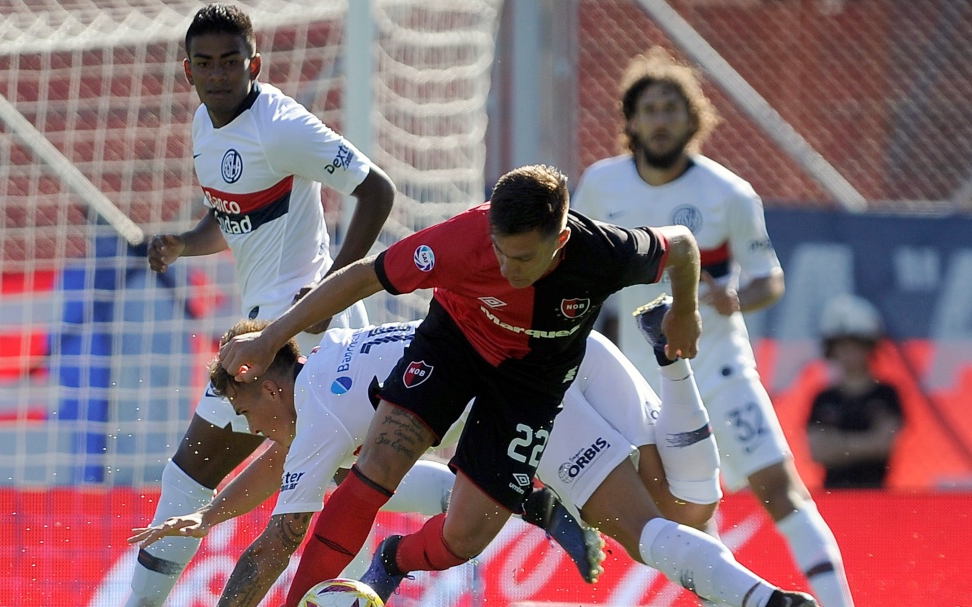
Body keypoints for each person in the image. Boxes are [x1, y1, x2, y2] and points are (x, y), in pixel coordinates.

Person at [217, 164, 814, 607]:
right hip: (451, 347)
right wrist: (272, 338)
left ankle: (395, 558)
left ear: (560, 239)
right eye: (499, 251)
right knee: (376, 467)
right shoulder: (461, 240)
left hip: (532, 382)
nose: (504, 267)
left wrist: (684, 309)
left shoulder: (605, 252)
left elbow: (683, 247)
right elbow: (363, 279)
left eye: (522, 259)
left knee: (467, 538)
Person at [135, 308, 815, 607]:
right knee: (684, 511)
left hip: (531, 399)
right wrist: (210, 514)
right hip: (578, 357)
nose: (251, 427)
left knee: (655, 531)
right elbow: (280, 465)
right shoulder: (322, 376)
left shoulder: (315, 411)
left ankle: (761, 599)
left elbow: (280, 544)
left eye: (246, 411)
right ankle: (671, 363)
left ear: (267, 381)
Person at [126, 4, 397, 606]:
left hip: (288, 332)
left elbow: (377, 190)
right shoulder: (206, 123)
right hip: (296, 324)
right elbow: (239, 213)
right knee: (349, 461)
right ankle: (514, 498)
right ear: (187, 72)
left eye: (230, 62)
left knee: (189, 476)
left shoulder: (280, 126)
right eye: (206, 64)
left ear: (254, 64)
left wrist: (331, 285)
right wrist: (186, 244)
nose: (219, 74)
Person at [571, 47, 855, 607]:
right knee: (693, 516)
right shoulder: (601, 186)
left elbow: (768, 278)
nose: (660, 120)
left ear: (694, 119)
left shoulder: (727, 193)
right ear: (630, 120)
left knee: (781, 491)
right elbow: (576, 267)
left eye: (672, 108)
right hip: (649, 384)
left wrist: (735, 298)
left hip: (723, 373)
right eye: (649, 109)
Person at [807, 294, 904, 488]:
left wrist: (837, 445)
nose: (848, 353)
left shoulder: (886, 395)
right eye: (841, 345)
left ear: (869, 348)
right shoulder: (824, 399)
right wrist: (865, 443)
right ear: (831, 350)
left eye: (855, 344)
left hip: (876, 496)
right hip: (832, 497)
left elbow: (883, 445)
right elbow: (817, 451)